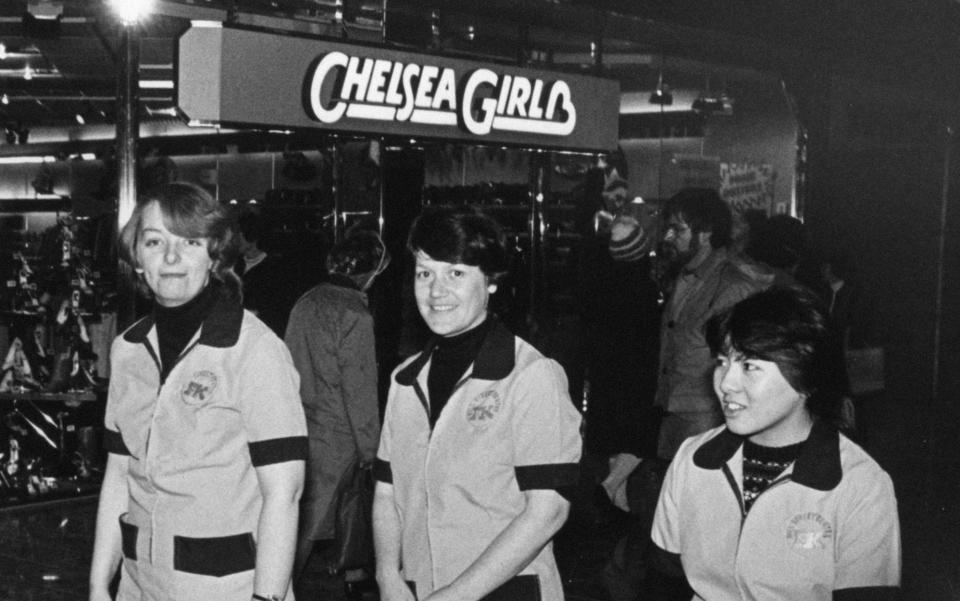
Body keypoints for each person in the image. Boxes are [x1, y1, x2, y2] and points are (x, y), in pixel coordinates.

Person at [88, 182, 308, 601]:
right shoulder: (128, 350)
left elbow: (284, 493)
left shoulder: (254, 350)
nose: (171, 258)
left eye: (189, 241)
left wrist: (268, 599)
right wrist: (101, 584)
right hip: (140, 586)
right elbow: (118, 475)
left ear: (214, 255)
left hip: (229, 588)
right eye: (154, 242)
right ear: (136, 258)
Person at [373, 206, 582, 601]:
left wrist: (456, 595)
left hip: (504, 591)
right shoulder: (405, 380)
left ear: (491, 282)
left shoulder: (531, 376)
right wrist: (388, 576)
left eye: (455, 273)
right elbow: (387, 492)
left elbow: (547, 511)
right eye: (424, 273)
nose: (436, 291)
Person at [650, 286, 901, 600]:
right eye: (722, 362)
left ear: (806, 378)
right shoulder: (694, 459)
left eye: (750, 366)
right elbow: (664, 582)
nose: (726, 383)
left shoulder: (859, 485)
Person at [285, 230, 390, 595]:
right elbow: (360, 387)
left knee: (297, 516)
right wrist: (370, 449)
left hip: (300, 423)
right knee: (309, 529)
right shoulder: (354, 313)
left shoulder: (307, 301)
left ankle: (352, 576)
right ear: (369, 272)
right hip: (338, 434)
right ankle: (278, 589)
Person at [654, 187, 767, 461]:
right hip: (676, 408)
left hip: (707, 415)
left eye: (678, 230)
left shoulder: (732, 285)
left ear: (705, 234)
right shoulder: (686, 275)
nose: (668, 237)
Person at [235, 208, 294, 337]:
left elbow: (278, 311)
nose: (235, 239)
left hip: (260, 335)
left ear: (251, 235)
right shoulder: (234, 266)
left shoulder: (275, 269)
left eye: (239, 234)